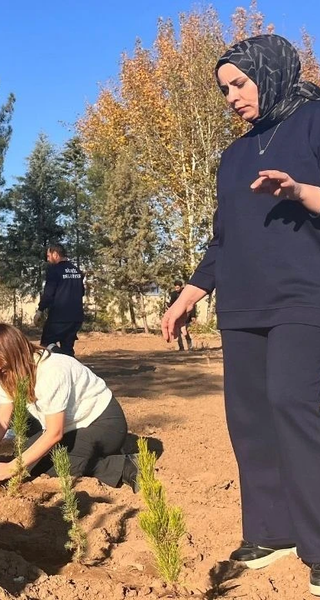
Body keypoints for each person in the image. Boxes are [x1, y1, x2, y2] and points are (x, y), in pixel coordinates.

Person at [161, 34, 320, 594]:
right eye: (224, 88)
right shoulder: (232, 157)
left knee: (294, 403)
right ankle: (271, 531)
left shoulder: (314, 122)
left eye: (239, 83)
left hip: (306, 297)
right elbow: (222, 241)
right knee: (249, 416)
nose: (231, 97)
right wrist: (189, 294)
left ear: (270, 73)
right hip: (243, 304)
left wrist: (301, 189)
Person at [0, 324, 139, 492]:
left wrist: (11, 467)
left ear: (17, 355)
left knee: (56, 463)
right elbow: (1, 421)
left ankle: (125, 466)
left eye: (2, 364)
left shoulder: (51, 371)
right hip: (72, 426)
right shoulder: (7, 373)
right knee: (27, 457)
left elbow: (54, 433)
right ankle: (95, 454)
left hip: (103, 423)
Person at [35, 243, 84, 356]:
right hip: (76, 318)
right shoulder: (77, 271)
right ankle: (70, 364)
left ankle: (61, 357)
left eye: (48, 256)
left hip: (59, 318)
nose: (47, 259)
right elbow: (81, 292)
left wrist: (40, 311)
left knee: (46, 345)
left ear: (55, 254)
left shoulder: (54, 270)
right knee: (68, 349)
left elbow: (48, 294)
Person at [168, 280, 195, 351]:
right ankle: (181, 347)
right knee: (177, 331)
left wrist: (193, 315)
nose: (176, 289)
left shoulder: (185, 293)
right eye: (175, 288)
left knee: (184, 330)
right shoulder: (173, 294)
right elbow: (172, 304)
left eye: (178, 288)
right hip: (177, 315)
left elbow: (191, 304)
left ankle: (190, 345)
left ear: (181, 287)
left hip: (186, 315)